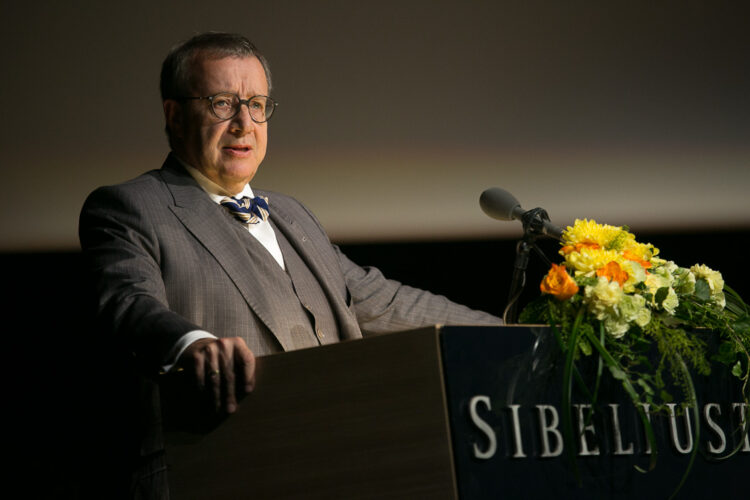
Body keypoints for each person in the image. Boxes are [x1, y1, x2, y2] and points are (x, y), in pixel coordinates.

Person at [79, 32, 501, 498]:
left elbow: (385, 301)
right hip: (211, 475)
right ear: (174, 115)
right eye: (222, 103)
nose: (244, 122)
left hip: (338, 472)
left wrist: (512, 332)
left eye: (257, 104)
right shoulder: (130, 207)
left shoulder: (292, 215)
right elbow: (128, 303)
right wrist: (190, 344)